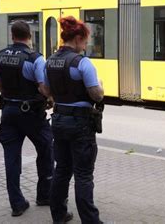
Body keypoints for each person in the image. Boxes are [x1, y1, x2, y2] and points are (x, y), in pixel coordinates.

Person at [0, 20, 54, 217]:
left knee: (12, 158)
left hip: (8, 111)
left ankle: (17, 204)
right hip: (32, 114)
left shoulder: (0, 56)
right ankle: (44, 195)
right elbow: (44, 87)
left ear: (12, 36)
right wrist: (49, 98)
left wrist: (9, 95)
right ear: (30, 37)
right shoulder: (35, 58)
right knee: (46, 148)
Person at [45, 16, 104, 224]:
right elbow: (96, 95)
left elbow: (44, 89)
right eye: (86, 41)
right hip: (81, 124)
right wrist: (101, 86)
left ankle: (59, 215)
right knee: (83, 175)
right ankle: (91, 221)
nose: (85, 45)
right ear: (78, 38)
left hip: (59, 120)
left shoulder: (50, 61)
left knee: (61, 169)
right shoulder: (82, 63)